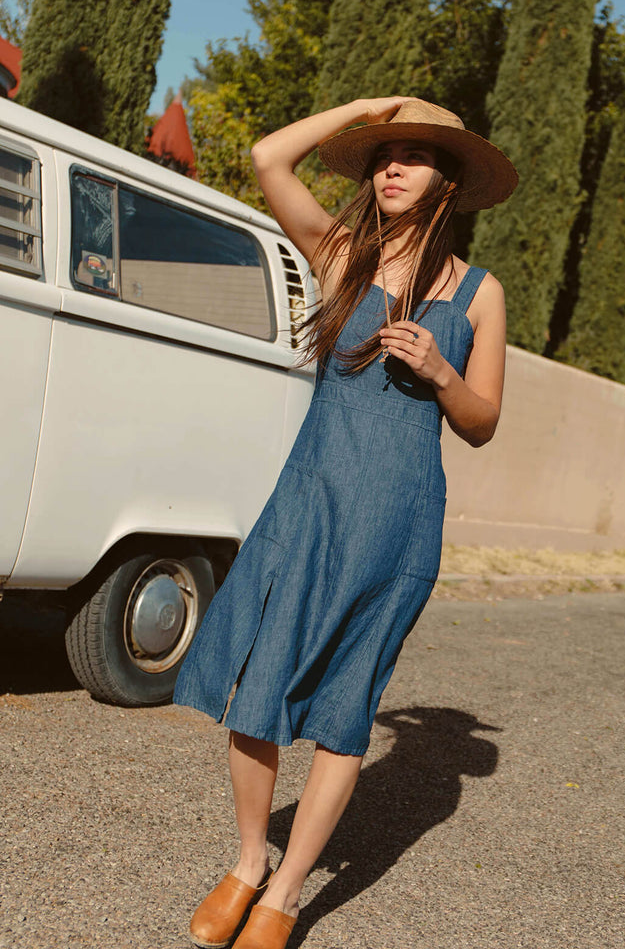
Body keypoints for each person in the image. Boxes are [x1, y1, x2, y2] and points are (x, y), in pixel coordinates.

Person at [173, 97, 518, 949]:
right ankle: (250, 861)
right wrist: (364, 109)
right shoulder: (338, 255)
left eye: (412, 156)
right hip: (309, 505)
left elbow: (481, 422)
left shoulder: (479, 294)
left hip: (397, 525)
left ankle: (287, 893)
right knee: (256, 691)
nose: (390, 167)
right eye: (382, 154)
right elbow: (265, 159)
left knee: (343, 710)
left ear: (448, 180)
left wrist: (442, 370)